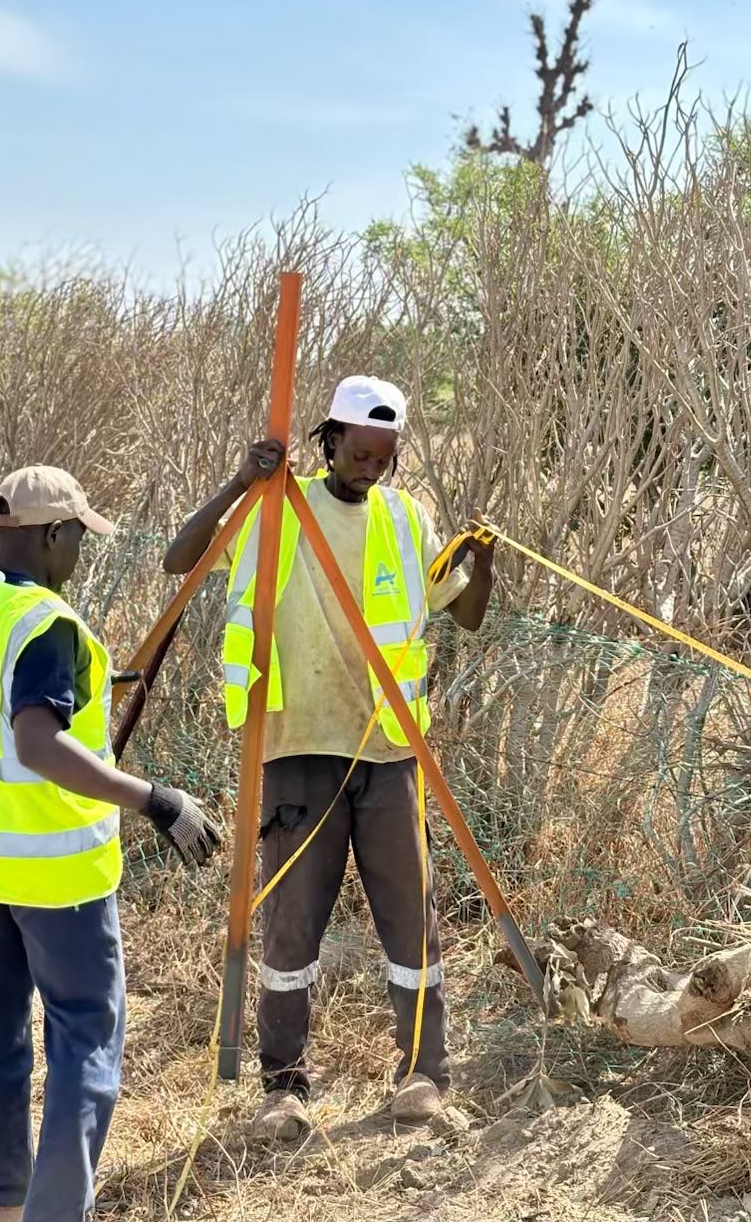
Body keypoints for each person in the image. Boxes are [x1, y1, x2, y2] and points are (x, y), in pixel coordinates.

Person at [164, 376, 494, 1141]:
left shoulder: (407, 520)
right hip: (298, 748)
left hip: (389, 752)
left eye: (384, 457)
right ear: (330, 439)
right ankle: (284, 1088)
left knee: (411, 920)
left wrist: (483, 563)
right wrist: (240, 481)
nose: (370, 468)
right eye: (359, 452)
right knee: (292, 927)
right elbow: (181, 558)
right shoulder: (275, 509)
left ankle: (422, 1074)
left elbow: (469, 616)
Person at [0, 465, 222, 1222]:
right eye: (78, 537)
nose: (80, 553)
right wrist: (157, 800)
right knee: (85, 1036)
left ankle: (3, 1204)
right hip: (55, 872)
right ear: (53, 534)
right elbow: (35, 743)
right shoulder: (47, 624)